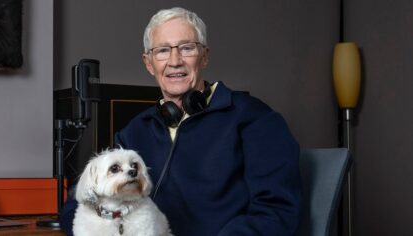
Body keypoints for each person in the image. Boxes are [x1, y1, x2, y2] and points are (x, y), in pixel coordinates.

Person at [60, 7, 302, 236]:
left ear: (204, 56)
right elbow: (78, 204)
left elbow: (276, 211)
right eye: (162, 51)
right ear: (148, 63)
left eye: (186, 48)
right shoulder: (134, 132)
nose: (174, 61)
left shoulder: (254, 118)